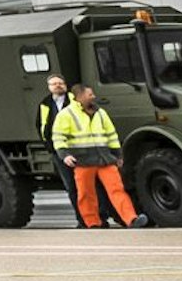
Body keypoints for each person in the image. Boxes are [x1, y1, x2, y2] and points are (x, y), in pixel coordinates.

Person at [50, 83, 139, 228]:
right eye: (90, 94)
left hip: (105, 159)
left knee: (117, 189)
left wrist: (118, 155)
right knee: (86, 193)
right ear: (80, 97)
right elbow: (58, 137)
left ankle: (131, 219)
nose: (93, 96)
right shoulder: (66, 114)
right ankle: (92, 222)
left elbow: (111, 134)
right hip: (83, 161)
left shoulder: (101, 112)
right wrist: (64, 155)